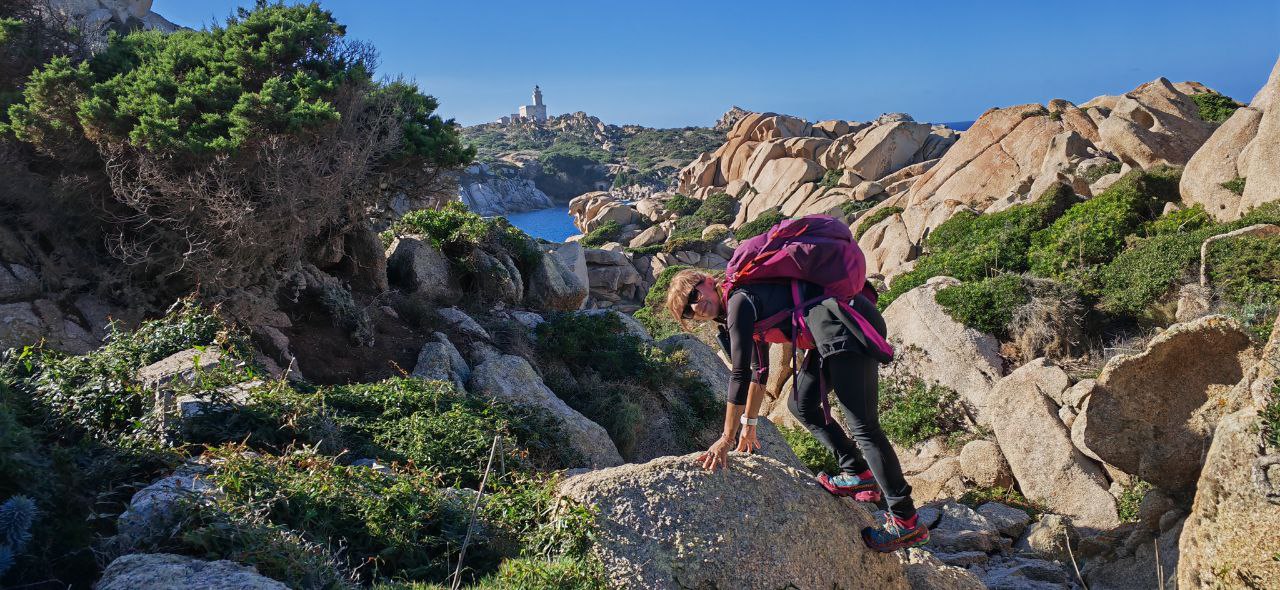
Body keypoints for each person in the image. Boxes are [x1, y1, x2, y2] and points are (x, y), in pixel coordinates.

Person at [664, 268, 928, 552]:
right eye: (688, 311)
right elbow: (758, 371)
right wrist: (749, 424)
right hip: (827, 331)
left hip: (845, 326)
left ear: (706, 282)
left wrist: (727, 437)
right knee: (801, 404)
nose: (695, 306)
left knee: (864, 427)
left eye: (693, 294)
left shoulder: (738, 300)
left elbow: (739, 375)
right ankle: (858, 473)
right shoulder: (735, 307)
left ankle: (905, 520)